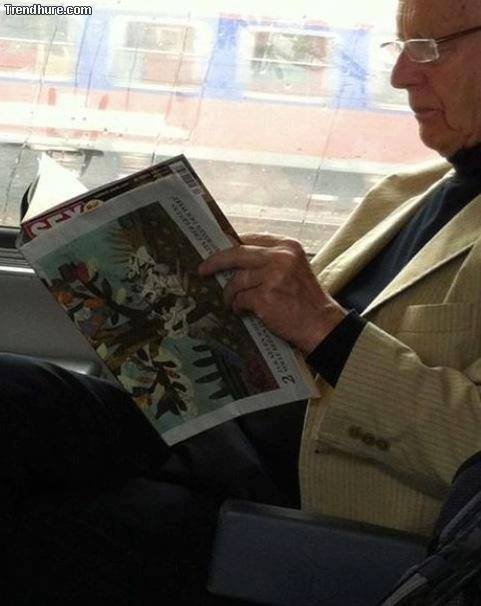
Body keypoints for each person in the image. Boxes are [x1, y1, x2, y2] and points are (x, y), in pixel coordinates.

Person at [5, 0, 481, 602]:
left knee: (39, 527)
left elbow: (468, 448)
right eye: (402, 49)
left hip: (296, 516)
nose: (400, 76)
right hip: (213, 432)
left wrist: (325, 328)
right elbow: (299, 339)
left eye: (429, 49)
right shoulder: (407, 192)